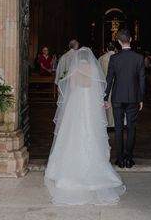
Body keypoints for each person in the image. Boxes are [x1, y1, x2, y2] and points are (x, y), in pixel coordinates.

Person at [44, 47, 125, 205]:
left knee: (72, 131)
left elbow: (72, 87)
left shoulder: (75, 69)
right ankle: (95, 165)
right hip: (89, 102)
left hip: (77, 101)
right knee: (91, 131)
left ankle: (68, 166)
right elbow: (97, 88)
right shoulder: (92, 69)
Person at [104, 28, 146, 169]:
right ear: (131, 40)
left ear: (118, 41)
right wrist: (141, 98)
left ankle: (120, 159)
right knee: (131, 128)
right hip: (133, 97)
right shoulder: (139, 58)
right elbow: (142, 80)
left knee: (118, 128)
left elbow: (109, 79)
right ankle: (129, 158)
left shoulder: (114, 58)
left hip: (117, 97)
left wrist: (105, 97)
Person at [98, 41, 118, 128]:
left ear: (106, 49)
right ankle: (115, 122)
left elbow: (98, 73)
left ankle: (107, 122)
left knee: (106, 101)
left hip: (105, 84)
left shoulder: (101, 58)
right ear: (115, 49)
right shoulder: (118, 57)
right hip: (117, 84)